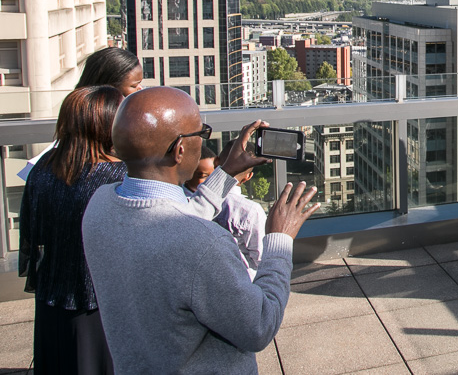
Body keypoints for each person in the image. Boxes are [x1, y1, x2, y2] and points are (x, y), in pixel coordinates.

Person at [81, 87, 318, 374]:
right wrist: (279, 240)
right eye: (201, 133)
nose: (204, 140)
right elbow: (259, 325)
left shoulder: (100, 205)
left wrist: (225, 174)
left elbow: (168, 223)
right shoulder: (203, 244)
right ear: (180, 149)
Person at [19, 86, 125, 375]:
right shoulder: (119, 176)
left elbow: (32, 233)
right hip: (101, 303)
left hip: (53, 299)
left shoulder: (43, 168)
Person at [17, 47, 143, 182]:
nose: (140, 89)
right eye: (134, 85)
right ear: (108, 89)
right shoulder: (118, 173)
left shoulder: (46, 165)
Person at [185, 148, 268, 278]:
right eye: (202, 176)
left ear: (216, 163)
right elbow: (261, 259)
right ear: (249, 176)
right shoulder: (250, 210)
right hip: (240, 283)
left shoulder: (182, 203)